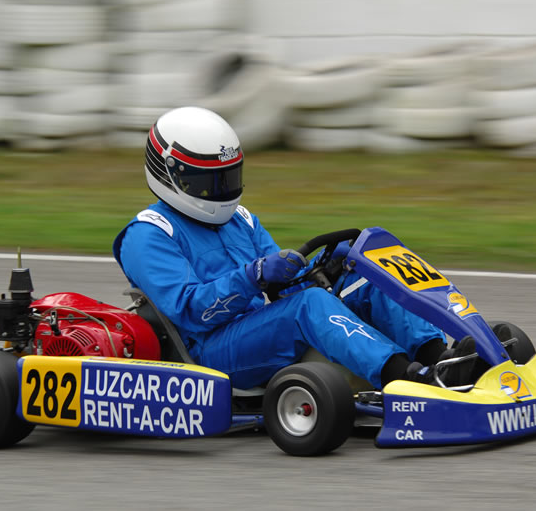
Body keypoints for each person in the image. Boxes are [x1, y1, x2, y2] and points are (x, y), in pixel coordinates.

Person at [113, 106, 449, 390]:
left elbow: (286, 287)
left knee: (366, 279)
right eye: (210, 182)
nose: (222, 191)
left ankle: (441, 358)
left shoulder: (240, 220)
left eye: (227, 178)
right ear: (174, 176)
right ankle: (405, 379)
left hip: (260, 327)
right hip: (211, 354)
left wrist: (327, 269)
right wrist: (251, 277)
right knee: (310, 305)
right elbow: (191, 312)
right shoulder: (149, 235)